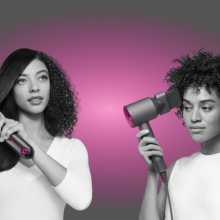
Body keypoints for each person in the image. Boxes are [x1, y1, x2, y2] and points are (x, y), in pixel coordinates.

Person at [0, 48, 92, 220]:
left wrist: (29, 145)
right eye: (22, 80)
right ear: (9, 87)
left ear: (52, 85)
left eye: (42, 77)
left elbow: (81, 201)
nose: (34, 88)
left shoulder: (71, 148)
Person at [137, 48, 220, 220]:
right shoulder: (176, 169)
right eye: (188, 107)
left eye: (206, 108)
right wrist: (153, 173)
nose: (194, 117)